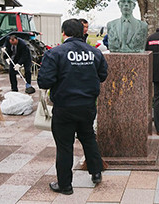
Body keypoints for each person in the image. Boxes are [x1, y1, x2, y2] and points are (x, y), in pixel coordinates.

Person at [38, 19, 108, 195]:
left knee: (64, 146)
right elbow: (103, 75)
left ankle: (65, 185)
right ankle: (96, 172)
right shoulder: (95, 53)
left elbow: (44, 81)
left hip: (64, 106)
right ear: (82, 33)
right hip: (87, 105)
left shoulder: (55, 53)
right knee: (88, 137)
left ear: (64, 33)